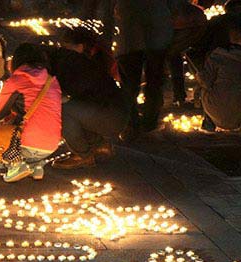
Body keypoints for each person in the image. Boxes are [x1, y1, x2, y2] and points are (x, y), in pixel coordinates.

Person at [0, 43, 62, 183]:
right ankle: (35, 166)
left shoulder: (17, 80)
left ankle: (15, 164)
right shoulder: (52, 80)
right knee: (17, 123)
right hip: (51, 145)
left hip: (27, 144)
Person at [49, 43, 128, 169]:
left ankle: (83, 155)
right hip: (110, 112)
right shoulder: (85, 62)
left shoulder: (81, 66)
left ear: (80, 46)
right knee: (72, 110)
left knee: (63, 110)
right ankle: (99, 145)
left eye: (67, 48)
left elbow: (75, 93)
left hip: (110, 115)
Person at [113, 0, 173, 137]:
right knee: (153, 84)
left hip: (131, 39)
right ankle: (147, 124)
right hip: (153, 37)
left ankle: (133, 124)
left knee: (130, 86)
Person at [191, 38, 241, 133]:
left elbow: (206, 82)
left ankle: (209, 125)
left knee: (205, 90)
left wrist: (199, 76)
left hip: (221, 112)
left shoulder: (216, 57)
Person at [166, 0, 208, 107]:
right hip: (189, 26)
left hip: (188, 26)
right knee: (175, 58)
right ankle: (180, 96)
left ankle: (180, 96)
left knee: (174, 58)